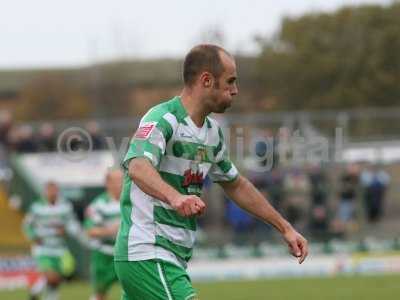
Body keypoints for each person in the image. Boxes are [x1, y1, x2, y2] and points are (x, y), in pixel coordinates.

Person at [114, 44, 309, 300]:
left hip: (172, 257)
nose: (235, 90)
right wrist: (176, 197)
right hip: (148, 251)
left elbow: (236, 184)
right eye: (230, 82)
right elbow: (137, 165)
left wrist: (285, 228)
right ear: (206, 80)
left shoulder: (212, 134)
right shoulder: (164, 118)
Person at [23, 181, 80, 300]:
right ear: (45, 192)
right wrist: (33, 236)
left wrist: (67, 230)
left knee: (55, 282)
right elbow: (27, 225)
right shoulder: (37, 207)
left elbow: (72, 224)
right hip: (43, 248)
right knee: (51, 276)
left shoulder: (65, 206)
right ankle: (36, 291)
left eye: (55, 190)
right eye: (50, 190)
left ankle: (35, 291)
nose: (52, 193)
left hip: (60, 249)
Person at [84, 169, 123, 300]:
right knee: (100, 293)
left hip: (124, 253)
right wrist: (110, 230)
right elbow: (90, 231)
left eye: (122, 180)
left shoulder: (131, 201)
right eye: (116, 180)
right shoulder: (98, 205)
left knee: (136, 289)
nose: (120, 184)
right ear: (108, 183)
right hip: (103, 254)